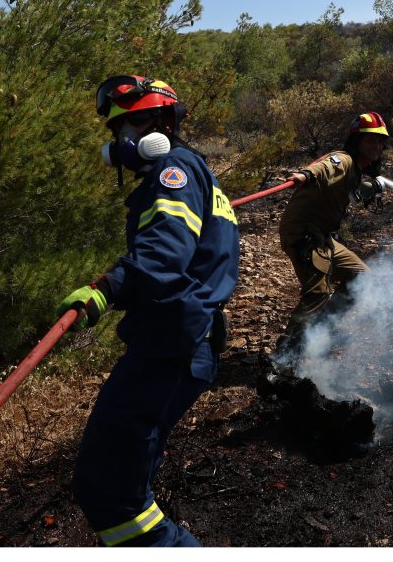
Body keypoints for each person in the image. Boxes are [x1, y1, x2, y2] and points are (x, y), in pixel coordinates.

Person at [58, 75, 239, 547]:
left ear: (160, 124)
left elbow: (164, 253)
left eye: (129, 129)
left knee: (110, 491)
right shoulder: (195, 170)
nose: (122, 143)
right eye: (118, 133)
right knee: (118, 485)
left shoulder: (172, 172)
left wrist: (106, 288)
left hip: (171, 345)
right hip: (180, 341)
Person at [276, 111, 388, 351]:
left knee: (363, 279)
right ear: (357, 142)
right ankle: (286, 355)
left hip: (322, 235)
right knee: (317, 294)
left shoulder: (357, 170)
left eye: (380, 141)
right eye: (370, 139)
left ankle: (323, 329)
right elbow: (326, 167)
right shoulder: (344, 160)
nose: (376, 145)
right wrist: (305, 174)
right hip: (303, 232)